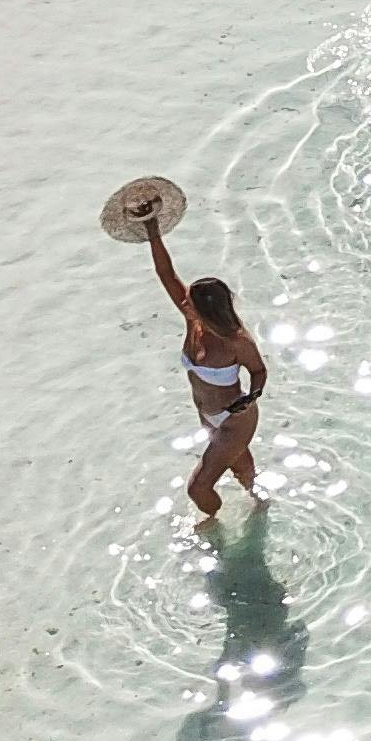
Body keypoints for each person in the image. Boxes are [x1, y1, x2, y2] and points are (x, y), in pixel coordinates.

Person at [141, 202, 266, 522]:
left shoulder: (237, 342)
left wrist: (250, 396)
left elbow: (259, 371)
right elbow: (166, 275)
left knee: (198, 488)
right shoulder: (192, 322)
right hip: (208, 415)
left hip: (234, 420)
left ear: (205, 310)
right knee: (239, 465)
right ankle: (260, 504)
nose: (183, 302)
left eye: (189, 301)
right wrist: (152, 230)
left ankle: (215, 525)